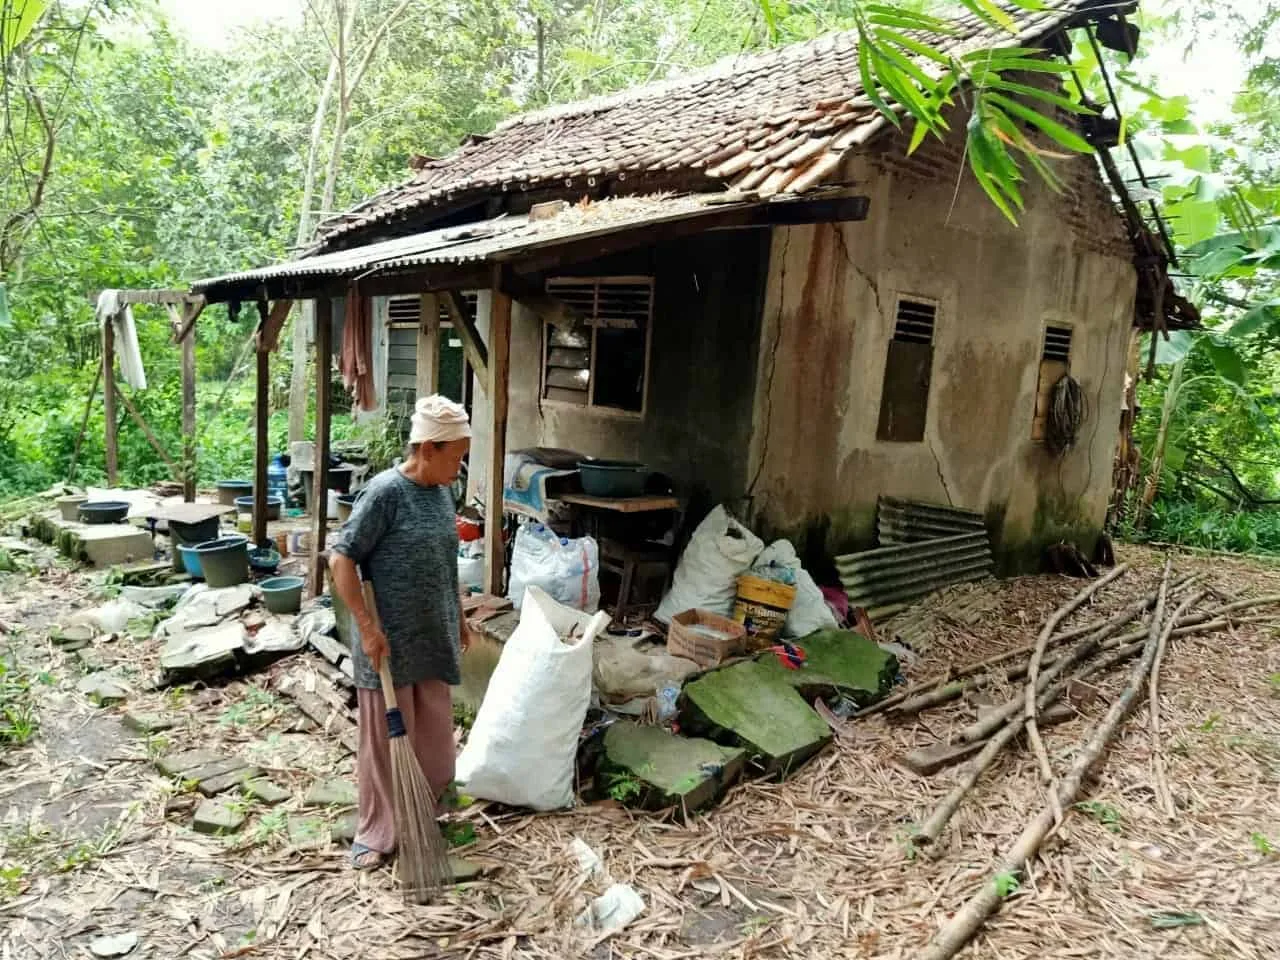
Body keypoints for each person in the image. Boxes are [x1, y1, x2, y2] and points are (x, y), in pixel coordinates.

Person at [328, 394, 474, 870]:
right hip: (388, 642)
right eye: (455, 456)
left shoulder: (441, 493)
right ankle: (378, 829)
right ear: (428, 448)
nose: (460, 466)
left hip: (433, 633)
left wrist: (461, 615)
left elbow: (443, 561)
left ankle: (426, 810)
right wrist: (366, 628)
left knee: (433, 738)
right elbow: (342, 558)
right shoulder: (385, 493)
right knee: (385, 742)